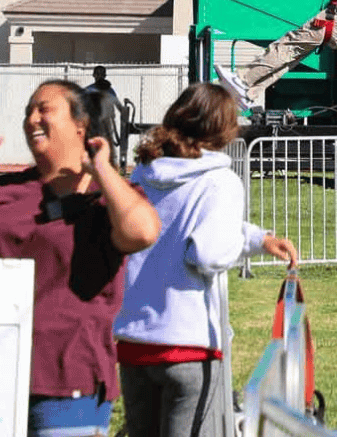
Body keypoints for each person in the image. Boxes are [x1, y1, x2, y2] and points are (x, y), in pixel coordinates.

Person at [113, 82, 298, 437]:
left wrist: (258, 239)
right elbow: (209, 253)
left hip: (135, 340)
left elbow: (177, 225)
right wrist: (238, 243)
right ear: (226, 129)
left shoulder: (143, 175)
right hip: (188, 342)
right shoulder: (220, 182)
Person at [0, 80, 161, 437]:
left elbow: (143, 232)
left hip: (68, 383)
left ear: (80, 125)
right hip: (4, 376)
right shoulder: (10, 192)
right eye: (28, 110)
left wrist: (101, 169)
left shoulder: (107, 198)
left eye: (44, 109)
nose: (31, 119)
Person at [82, 65, 124, 153]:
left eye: (101, 75)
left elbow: (118, 106)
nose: (100, 77)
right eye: (98, 74)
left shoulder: (91, 90)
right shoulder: (89, 90)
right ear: (94, 75)